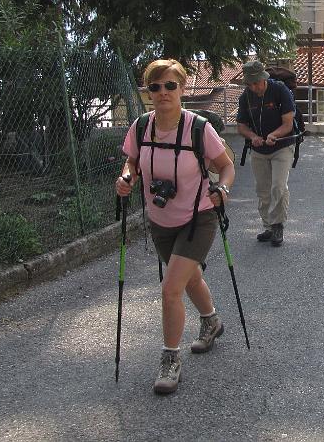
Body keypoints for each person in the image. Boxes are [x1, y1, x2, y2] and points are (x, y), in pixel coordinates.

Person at [115, 59, 236, 395]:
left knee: (171, 288)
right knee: (190, 277)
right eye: (155, 87)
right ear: (148, 92)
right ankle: (211, 322)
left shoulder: (198, 128)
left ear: (183, 89)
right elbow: (132, 161)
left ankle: (170, 360)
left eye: (170, 86)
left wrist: (222, 189)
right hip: (161, 221)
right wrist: (126, 178)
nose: (163, 92)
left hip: (199, 218)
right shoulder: (141, 127)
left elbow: (225, 167)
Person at [236, 60, 296, 247]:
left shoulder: (280, 91)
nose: (253, 87)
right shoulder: (246, 96)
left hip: (282, 146)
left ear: (264, 78)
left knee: (278, 186)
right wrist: (253, 136)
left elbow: (287, 124)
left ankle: (278, 225)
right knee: (262, 190)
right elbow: (241, 126)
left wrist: (273, 135)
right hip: (259, 149)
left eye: (256, 82)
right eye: (250, 83)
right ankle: (268, 226)